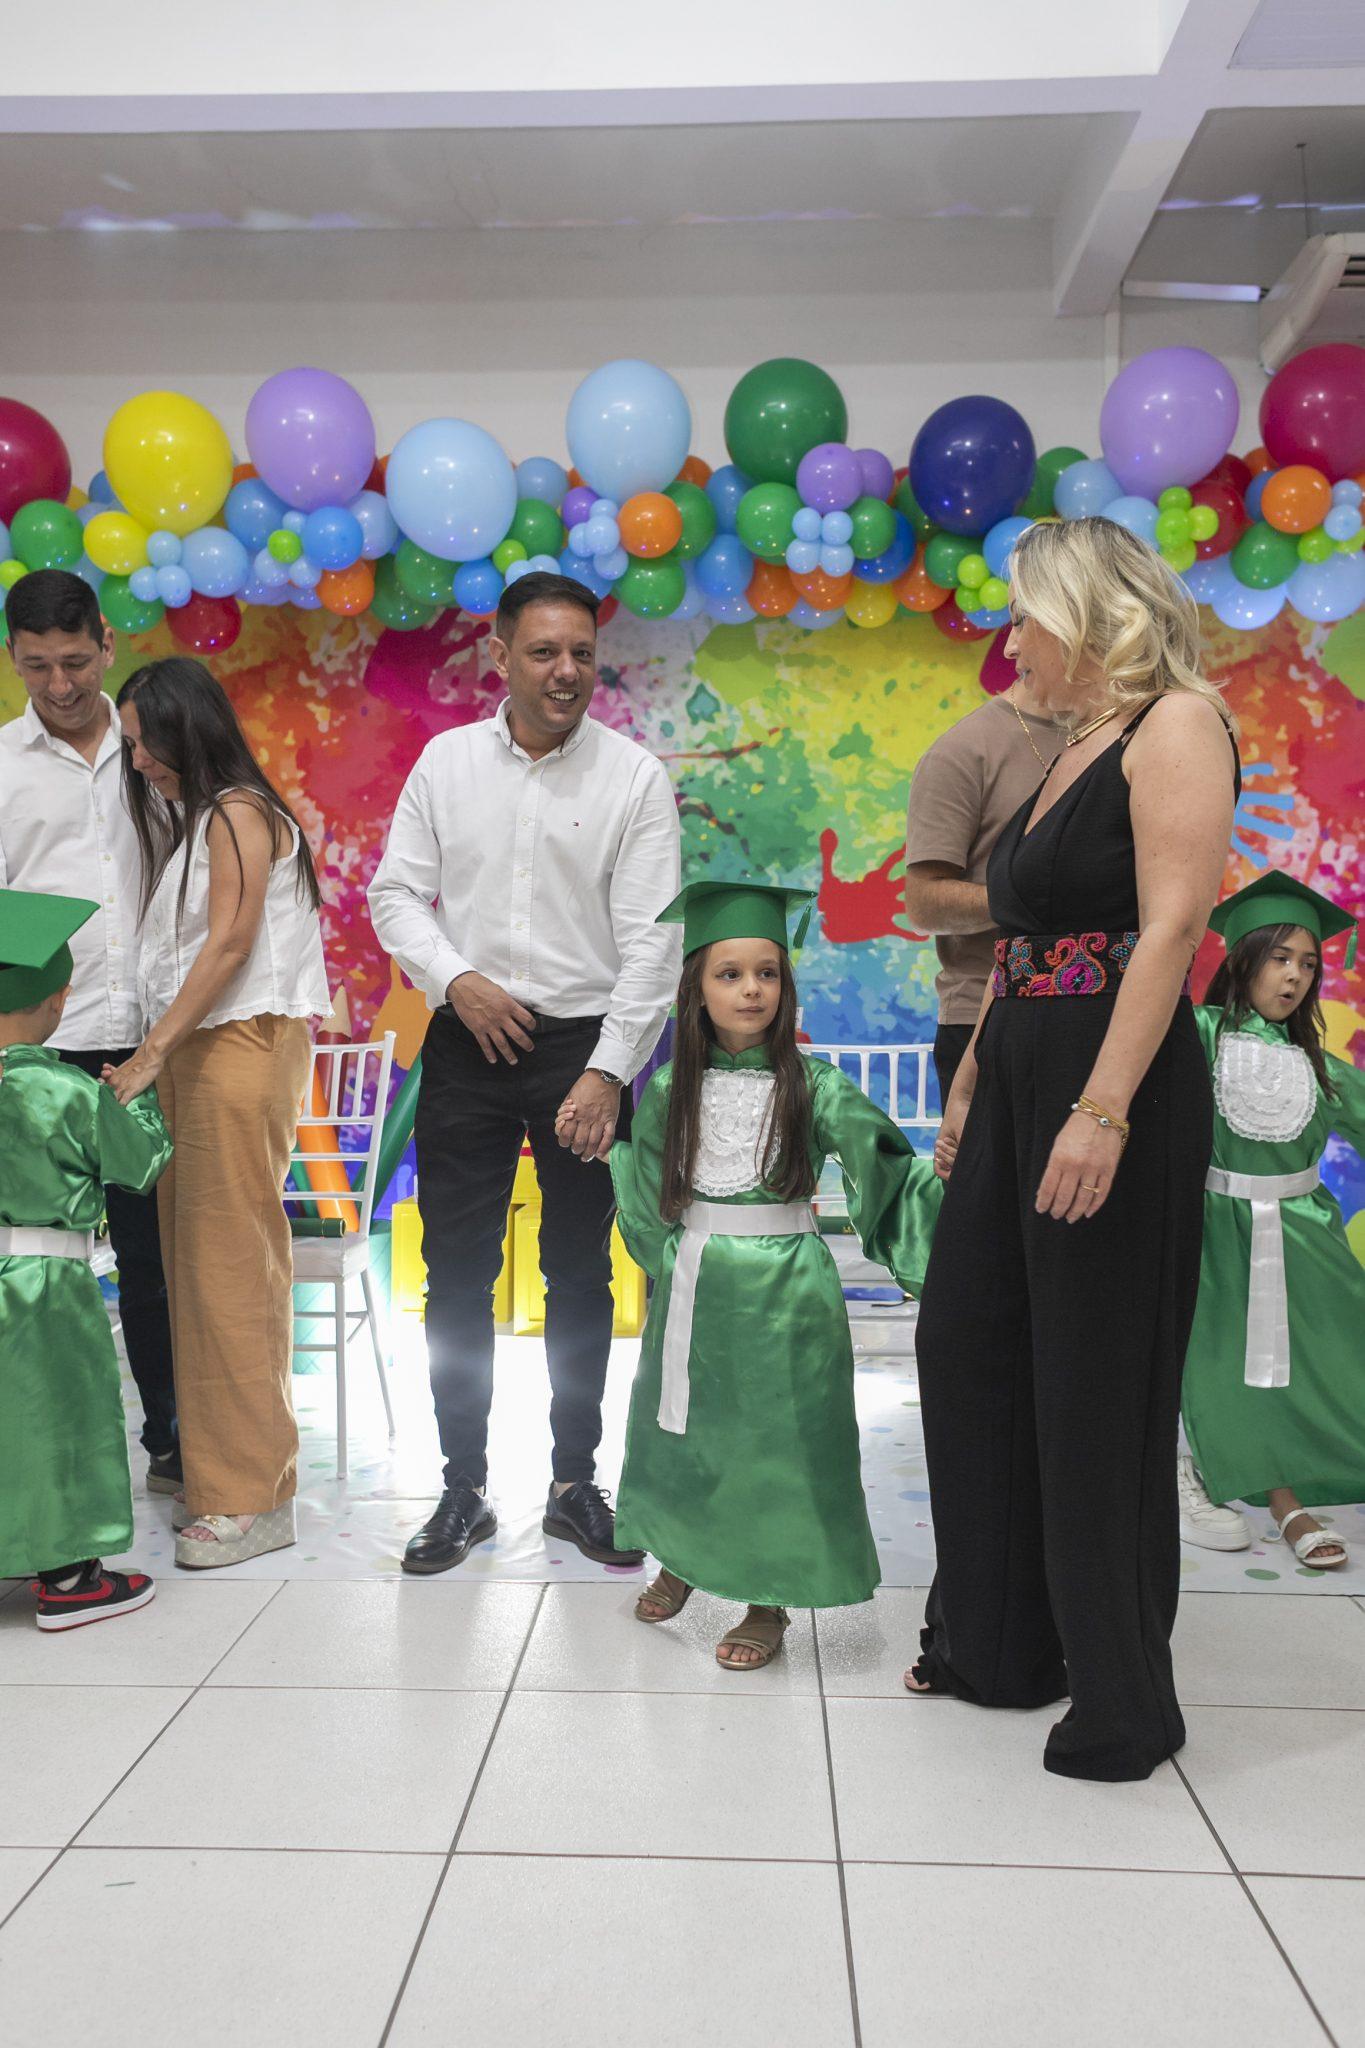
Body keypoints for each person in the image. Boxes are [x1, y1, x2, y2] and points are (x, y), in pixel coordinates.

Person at [907, 518, 1239, 1782]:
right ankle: (1000, 1645)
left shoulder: (1177, 722)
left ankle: (1121, 1699)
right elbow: (1024, 940)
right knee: (970, 1342)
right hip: (1020, 1065)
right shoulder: (1069, 747)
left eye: (1024, 618)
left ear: (1091, 615)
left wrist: (1102, 1109)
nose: (1011, 644)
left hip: (1115, 1075)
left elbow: (1170, 927)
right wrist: (975, 1079)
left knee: (1093, 1382)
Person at [368, 571, 681, 1575]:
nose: (565, 671)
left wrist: (606, 1073)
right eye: (544, 651)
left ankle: (572, 1484)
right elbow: (394, 894)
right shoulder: (447, 763)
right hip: (466, 1037)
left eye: (581, 652)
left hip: (582, 1051)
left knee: (580, 1272)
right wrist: (456, 981)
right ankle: (462, 1486)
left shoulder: (633, 777)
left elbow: (654, 944)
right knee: (455, 1272)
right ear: (500, 655)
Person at [585, 879, 941, 1670]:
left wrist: (951, 1185)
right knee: (686, 1431)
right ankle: (683, 1557)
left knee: (778, 1443)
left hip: (789, 1293)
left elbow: (883, 1164)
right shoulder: (670, 1088)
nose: (751, 989)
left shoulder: (815, 1085)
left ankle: (766, 1598)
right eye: (730, 974)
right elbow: (647, 1187)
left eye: (767, 973)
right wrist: (670, 1254)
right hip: (697, 1284)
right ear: (696, 991)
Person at [104, 657, 330, 1571]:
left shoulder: (239, 810)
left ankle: (254, 1496)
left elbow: (232, 942)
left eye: (145, 741)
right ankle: (219, 1472)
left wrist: (152, 1050)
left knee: (231, 1268)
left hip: (238, 1047)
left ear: (187, 728)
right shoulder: (198, 821)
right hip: (201, 1055)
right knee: (193, 1270)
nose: (138, 760)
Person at [1, 570, 178, 1492]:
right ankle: (35, 1465)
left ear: (107, 643)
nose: (60, 684)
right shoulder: (2, 763)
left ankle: (171, 1446)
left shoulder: (156, 749)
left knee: (155, 1261)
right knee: (31, 1264)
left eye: (74, 661)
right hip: (34, 1052)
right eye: (37, 666)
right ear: (12, 657)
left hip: (150, 1041)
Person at [1177, 873, 1364, 1569]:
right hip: (1214, 1233)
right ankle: (1265, 1496)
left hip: (1306, 1238)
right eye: (1280, 957)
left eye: (1308, 964)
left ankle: (1293, 1493)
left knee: (1327, 1367)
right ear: (1243, 958)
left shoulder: (1322, 1069)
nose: (1294, 976)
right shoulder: (1198, 1035)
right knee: (1225, 1369)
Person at [0, 888, 172, 1629]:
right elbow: (141, 1164)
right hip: (44, 1283)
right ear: (58, 1000)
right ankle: (70, 1578)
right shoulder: (65, 1088)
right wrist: (137, 1097)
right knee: (58, 1413)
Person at [905, 664, 1063, 1104]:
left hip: (1097, 1010)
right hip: (983, 1016)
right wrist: (1033, 899)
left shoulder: (1119, 735)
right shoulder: (962, 750)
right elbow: (923, 903)